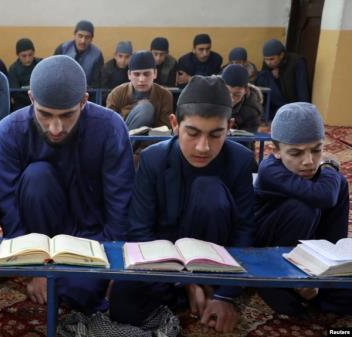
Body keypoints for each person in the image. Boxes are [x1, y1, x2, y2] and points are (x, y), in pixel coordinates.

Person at [109, 76, 257, 333]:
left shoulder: (240, 160)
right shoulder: (153, 159)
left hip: (216, 262)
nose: (203, 147)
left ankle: (211, 291)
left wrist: (225, 295)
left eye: (215, 135)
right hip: (164, 263)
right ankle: (191, 293)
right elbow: (140, 230)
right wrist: (186, 283)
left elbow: (244, 230)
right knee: (122, 304)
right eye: (193, 132)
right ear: (175, 124)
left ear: (230, 127)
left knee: (207, 188)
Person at [0, 55, 134, 314]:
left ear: (84, 101)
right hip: (41, 232)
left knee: (78, 292)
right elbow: (8, 206)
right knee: (37, 176)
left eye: (67, 115)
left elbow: (120, 201)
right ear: (32, 98)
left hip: (93, 235)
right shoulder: (10, 131)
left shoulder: (111, 127)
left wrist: (115, 264)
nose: (55, 128)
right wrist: (31, 267)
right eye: (45, 115)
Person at [254, 102, 352, 316]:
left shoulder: (327, 177)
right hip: (269, 247)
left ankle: (310, 290)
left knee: (339, 185)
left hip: (309, 249)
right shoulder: (270, 170)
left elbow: (334, 237)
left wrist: (328, 271)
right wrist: (328, 166)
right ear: (276, 150)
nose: (308, 162)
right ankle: (277, 282)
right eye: (296, 153)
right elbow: (323, 197)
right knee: (304, 206)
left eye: (316, 150)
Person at [106, 51, 173, 130]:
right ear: (129, 75)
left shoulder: (165, 95)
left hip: (151, 140)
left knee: (146, 108)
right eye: (136, 74)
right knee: (146, 108)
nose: (141, 79)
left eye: (146, 74)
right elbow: (110, 124)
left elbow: (165, 128)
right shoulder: (116, 93)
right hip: (120, 137)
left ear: (155, 73)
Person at [255, 39, 310, 118]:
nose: (268, 62)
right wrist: (273, 77)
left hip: (293, 105)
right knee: (261, 76)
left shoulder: (297, 62)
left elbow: (302, 88)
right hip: (275, 107)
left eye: (272, 59)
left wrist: (304, 112)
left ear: (281, 55)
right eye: (266, 59)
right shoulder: (268, 64)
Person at [54, 20, 104, 88]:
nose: (83, 41)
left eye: (87, 37)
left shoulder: (97, 55)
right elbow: (54, 73)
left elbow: (96, 83)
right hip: (62, 90)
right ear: (74, 35)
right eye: (80, 36)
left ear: (92, 38)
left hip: (86, 93)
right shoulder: (62, 49)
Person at [221, 64, 262, 133]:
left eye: (237, 95)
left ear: (245, 90)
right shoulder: (209, 99)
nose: (231, 99)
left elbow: (248, 140)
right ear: (220, 87)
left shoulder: (252, 110)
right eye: (226, 93)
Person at [8, 38, 42, 111]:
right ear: (18, 55)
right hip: (22, 105)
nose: (28, 59)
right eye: (24, 56)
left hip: (41, 101)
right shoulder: (13, 69)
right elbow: (15, 93)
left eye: (30, 55)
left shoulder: (41, 64)